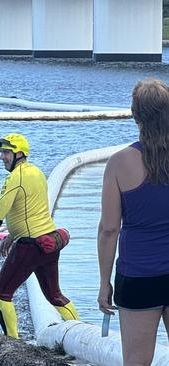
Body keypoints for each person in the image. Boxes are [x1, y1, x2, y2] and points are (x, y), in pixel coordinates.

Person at [98, 79, 169, 366]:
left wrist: (104, 283)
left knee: (137, 362)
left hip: (139, 276)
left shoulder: (120, 162)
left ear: (135, 115)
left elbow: (109, 229)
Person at [0, 133, 79, 339]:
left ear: (19, 154)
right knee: (55, 295)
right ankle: (81, 333)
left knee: (2, 295)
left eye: (6, 152)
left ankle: (13, 344)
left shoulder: (15, 177)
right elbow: (32, 211)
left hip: (29, 246)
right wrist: (11, 236)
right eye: (1, 152)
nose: (2, 157)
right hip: (49, 242)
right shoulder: (36, 172)